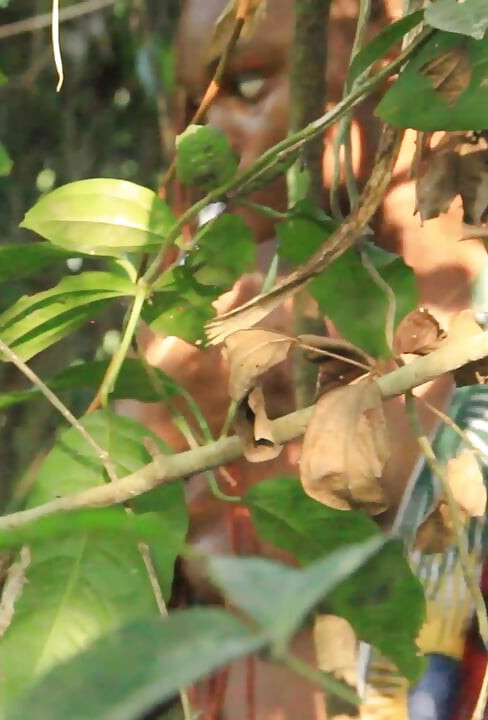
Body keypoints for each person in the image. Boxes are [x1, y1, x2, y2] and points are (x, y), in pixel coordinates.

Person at [119, 0, 488, 717]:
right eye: (190, 106)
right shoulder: (210, 313)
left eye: (249, 85)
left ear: (386, 77)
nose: (202, 137)